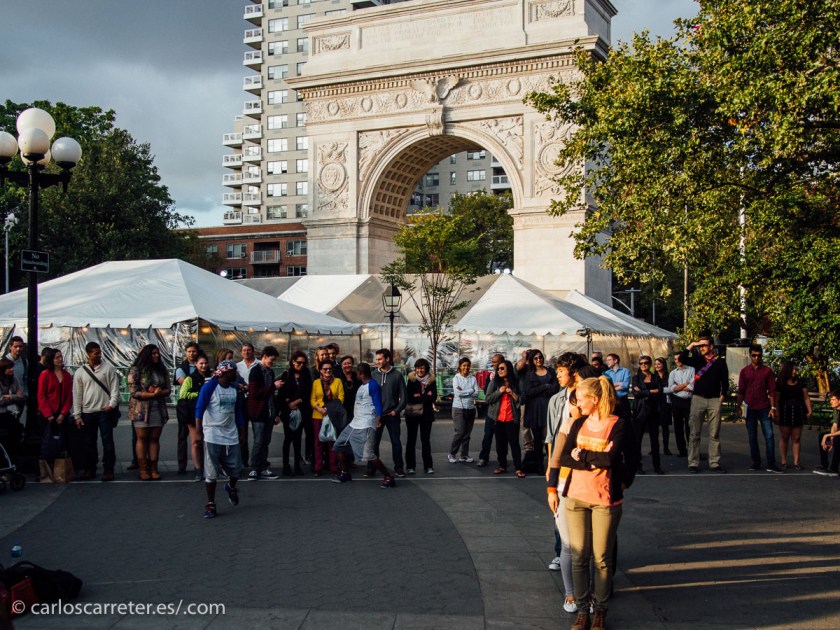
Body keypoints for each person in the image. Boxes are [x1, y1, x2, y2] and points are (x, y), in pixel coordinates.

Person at [555, 376, 638, 630]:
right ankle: (582, 610)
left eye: (581, 399)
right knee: (579, 556)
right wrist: (593, 458)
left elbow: (615, 459)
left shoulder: (618, 424)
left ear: (596, 399)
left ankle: (600, 610)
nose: (577, 403)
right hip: (576, 497)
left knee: (601, 558)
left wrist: (585, 455)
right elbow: (566, 457)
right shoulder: (578, 423)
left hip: (604, 499)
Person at [545, 352, 587, 605]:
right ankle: (571, 592)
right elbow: (553, 439)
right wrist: (551, 474)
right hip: (562, 472)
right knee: (565, 534)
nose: (557, 375)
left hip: (585, 474)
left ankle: (588, 589)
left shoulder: (588, 399)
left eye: (561, 371)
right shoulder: (556, 401)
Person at [195, 360, 245, 519]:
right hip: (212, 433)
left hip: (230, 434)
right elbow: (199, 408)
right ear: (224, 372)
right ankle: (210, 504)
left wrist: (242, 431)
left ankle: (231, 486)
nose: (235, 374)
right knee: (211, 472)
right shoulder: (210, 387)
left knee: (237, 468)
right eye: (233, 372)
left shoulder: (234, 389)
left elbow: (238, 412)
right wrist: (198, 431)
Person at [332, 362, 396, 488]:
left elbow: (378, 404)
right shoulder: (362, 386)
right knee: (338, 446)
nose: (356, 374)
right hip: (354, 424)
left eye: (357, 373)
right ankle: (345, 473)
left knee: (368, 455)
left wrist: (378, 419)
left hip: (366, 424)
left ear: (360, 374)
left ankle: (389, 477)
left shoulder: (373, 385)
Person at [72, 342, 121, 482]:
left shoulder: (109, 368)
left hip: (104, 410)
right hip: (87, 411)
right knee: (89, 442)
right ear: (89, 354)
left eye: (99, 352)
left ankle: (108, 469)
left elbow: (114, 389)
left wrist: (111, 405)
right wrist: (77, 414)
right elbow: (77, 394)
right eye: (95, 353)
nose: (98, 355)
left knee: (107, 441)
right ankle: (90, 468)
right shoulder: (80, 372)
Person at [680, 337, 729, 473]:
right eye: (699, 346)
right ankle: (693, 463)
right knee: (694, 432)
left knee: (714, 433)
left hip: (714, 399)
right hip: (698, 398)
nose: (701, 348)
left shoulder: (720, 362)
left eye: (704, 345)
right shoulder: (698, 360)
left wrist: (722, 397)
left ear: (711, 347)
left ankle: (714, 462)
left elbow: (725, 381)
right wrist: (692, 345)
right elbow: (682, 359)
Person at [127, 344, 171, 481]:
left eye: (157, 353)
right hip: (141, 409)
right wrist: (151, 394)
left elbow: (168, 389)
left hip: (158, 408)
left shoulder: (162, 370)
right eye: (153, 353)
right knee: (142, 438)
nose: (156, 355)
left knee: (154, 439)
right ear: (146, 355)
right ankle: (142, 469)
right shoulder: (136, 370)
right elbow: (134, 392)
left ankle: (154, 468)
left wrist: (159, 392)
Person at [736, 345, 780, 472]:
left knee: (769, 435)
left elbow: (772, 390)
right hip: (750, 406)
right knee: (752, 436)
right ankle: (756, 462)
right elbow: (741, 390)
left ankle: (771, 463)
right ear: (750, 355)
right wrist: (738, 406)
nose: (757, 358)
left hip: (764, 406)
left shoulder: (767, 371)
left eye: (759, 355)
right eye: (754, 355)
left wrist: (773, 407)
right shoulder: (745, 371)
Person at [247, 346, 284, 480]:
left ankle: (262, 467)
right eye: (271, 360)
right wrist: (273, 386)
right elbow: (254, 393)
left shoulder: (270, 372)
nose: (272, 363)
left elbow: (271, 395)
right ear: (265, 356)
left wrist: (275, 413)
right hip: (258, 412)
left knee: (265, 441)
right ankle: (255, 468)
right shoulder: (255, 371)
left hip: (268, 411)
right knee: (259, 441)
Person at [37, 348, 73, 481]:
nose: (60, 359)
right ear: (51, 360)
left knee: (62, 443)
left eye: (61, 357)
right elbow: (41, 395)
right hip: (48, 414)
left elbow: (69, 396)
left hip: (61, 413)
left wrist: (63, 413)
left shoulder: (67, 375)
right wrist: (48, 414)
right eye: (57, 357)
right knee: (47, 443)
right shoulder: (45, 374)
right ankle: (45, 472)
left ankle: (60, 472)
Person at [520, 350, 559, 471]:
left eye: (540, 357)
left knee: (549, 436)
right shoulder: (529, 374)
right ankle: (539, 464)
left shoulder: (551, 371)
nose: (538, 360)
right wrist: (545, 386)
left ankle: (551, 463)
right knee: (536, 438)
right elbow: (529, 392)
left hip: (548, 406)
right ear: (532, 360)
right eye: (535, 358)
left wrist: (541, 389)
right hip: (534, 408)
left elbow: (555, 388)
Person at [485, 359, 524, 477]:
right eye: (498, 369)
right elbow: (487, 399)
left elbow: (522, 399)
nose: (499, 371)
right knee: (500, 444)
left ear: (508, 369)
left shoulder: (516, 382)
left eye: (502, 368)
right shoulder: (495, 382)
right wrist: (499, 392)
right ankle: (502, 465)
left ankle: (518, 468)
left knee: (514, 444)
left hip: (512, 418)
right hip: (498, 418)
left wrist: (512, 393)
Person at [371, 348, 407, 477]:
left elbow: (404, 397)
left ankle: (399, 468)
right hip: (377, 416)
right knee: (374, 443)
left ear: (388, 359)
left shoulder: (397, 375)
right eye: (377, 359)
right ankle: (372, 467)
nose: (378, 361)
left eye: (380, 359)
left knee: (396, 443)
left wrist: (396, 411)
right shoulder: (373, 375)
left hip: (392, 415)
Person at [177, 353, 211, 480]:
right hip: (192, 413)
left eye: (205, 363)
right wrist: (199, 394)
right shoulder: (189, 379)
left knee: (208, 441)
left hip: (209, 413)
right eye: (201, 363)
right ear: (195, 364)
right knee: (196, 441)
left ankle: (209, 466)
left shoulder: (212, 377)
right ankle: (198, 468)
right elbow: (183, 395)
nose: (203, 366)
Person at [277, 351, 311, 476]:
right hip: (288, 411)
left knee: (297, 440)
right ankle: (286, 465)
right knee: (288, 439)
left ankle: (297, 465)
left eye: (303, 363)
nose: (301, 365)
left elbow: (308, 392)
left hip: (301, 410)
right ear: (293, 361)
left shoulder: (306, 375)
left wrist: (298, 401)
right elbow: (281, 394)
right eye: (298, 363)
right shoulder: (286, 374)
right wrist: (288, 402)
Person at [774, 360, 812, 469]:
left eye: (796, 369)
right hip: (785, 411)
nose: (795, 371)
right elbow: (777, 399)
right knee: (785, 437)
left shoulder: (800, 382)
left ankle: (796, 462)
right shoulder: (780, 383)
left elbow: (806, 397)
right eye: (793, 369)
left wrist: (809, 409)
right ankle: (784, 461)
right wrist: (777, 412)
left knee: (796, 438)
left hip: (798, 411)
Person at [310, 359, 344, 475]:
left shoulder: (338, 381)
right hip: (318, 416)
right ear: (320, 370)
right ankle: (318, 467)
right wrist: (319, 408)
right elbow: (312, 399)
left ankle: (333, 466)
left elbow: (341, 397)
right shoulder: (316, 383)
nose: (328, 371)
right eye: (325, 369)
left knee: (332, 441)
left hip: (332, 415)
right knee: (318, 442)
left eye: (330, 368)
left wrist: (330, 409)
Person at [632, 355, 665, 475]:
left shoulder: (656, 377)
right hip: (640, 411)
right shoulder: (636, 378)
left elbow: (660, 391)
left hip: (653, 411)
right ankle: (637, 465)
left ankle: (657, 466)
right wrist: (651, 391)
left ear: (650, 364)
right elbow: (636, 393)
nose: (643, 365)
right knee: (637, 439)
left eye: (645, 363)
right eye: (641, 363)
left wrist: (644, 392)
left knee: (654, 440)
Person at [404, 358, 437, 474]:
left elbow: (433, 397)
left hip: (427, 415)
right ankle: (410, 466)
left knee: (425, 440)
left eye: (422, 368)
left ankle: (428, 466)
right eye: (418, 368)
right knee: (411, 440)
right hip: (413, 414)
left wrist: (419, 396)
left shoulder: (432, 380)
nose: (420, 370)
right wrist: (424, 396)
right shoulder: (411, 380)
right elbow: (410, 396)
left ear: (426, 368)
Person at [174, 341, 201, 475]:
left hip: (198, 406)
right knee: (182, 436)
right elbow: (183, 383)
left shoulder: (202, 365)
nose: (191, 353)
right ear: (186, 352)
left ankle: (199, 464)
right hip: (185, 406)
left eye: (194, 351)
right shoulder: (181, 368)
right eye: (189, 351)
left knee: (198, 437)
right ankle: (182, 465)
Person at [448, 357, 480, 464]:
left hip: (470, 408)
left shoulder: (473, 379)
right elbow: (458, 393)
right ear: (460, 367)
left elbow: (477, 393)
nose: (466, 367)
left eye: (468, 365)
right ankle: (452, 453)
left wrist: (465, 392)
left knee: (467, 434)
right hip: (458, 409)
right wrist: (470, 391)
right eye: (464, 365)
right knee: (460, 432)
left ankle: (464, 455)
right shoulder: (456, 378)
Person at [664, 351, 693, 458]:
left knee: (690, 427)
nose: (678, 361)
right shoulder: (673, 373)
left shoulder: (692, 370)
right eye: (676, 359)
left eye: (679, 358)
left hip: (689, 401)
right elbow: (671, 388)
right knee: (678, 427)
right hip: (677, 401)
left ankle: (693, 450)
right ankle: (682, 450)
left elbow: (692, 387)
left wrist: (679, 386)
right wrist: (686, 384)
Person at [478, 353, 505, 467]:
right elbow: (487, 395)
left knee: (502, 439)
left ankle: (501, 460)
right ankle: (484, 457)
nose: (493, 364)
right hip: (491, 412)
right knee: (487, 436)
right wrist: (498, 392)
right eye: (493, 362)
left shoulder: (508, 376)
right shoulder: (491, 376)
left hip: (503, 413)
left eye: (495, 362)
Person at [236, 342, 257, 468]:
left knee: (257, 432)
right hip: (242, 401)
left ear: (253, 351)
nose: (246, 352)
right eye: (244, 350)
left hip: (255, 401)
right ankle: (244, 459)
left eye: (249, 350)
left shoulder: (259, 364)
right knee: (242, 433)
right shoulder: (237, 366)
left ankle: (257, 459)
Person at [0, 357, 25, 461]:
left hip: (12, 413)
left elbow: (21, 395)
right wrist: (14, 397)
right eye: (9, 368)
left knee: (15, 435)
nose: (12, 370)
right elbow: (0, 400)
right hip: (2, 415)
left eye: (12, 367)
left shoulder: (14, 379)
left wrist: (9, 396)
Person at [815, 388, 840, 475]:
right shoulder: (836, 409)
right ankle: (824, 465)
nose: (831, 402)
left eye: (833, 399)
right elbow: (835, 425)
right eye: (830, 399)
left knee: (837, 440)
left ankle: (834, 468)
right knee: (822, 436)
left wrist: (830, 437)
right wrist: (831, 438)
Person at [603, 354, 631, 424]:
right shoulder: (606, 373)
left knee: (625, 422)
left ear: (615, 360)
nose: (607, 362)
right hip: (611, 400)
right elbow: (606, 386)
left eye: (609, 360)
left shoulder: (625, 371)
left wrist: (612, 387)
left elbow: (625, 385)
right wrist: (619, 383)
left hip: (622, 400)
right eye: (606, 360)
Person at [653, 358, 672, 455]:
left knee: (665, 426)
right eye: (655, 364)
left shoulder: (668, 376)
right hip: (655, 402)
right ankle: (654, 448)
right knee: (654, 427)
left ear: (663, 365)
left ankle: (666, 448)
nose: (657, 366)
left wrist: (660, 390)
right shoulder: (653, 376)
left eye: (659, 364)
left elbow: (672, 388)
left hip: (665, 402)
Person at [337, 355, 360, 422]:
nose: (347, 365)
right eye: (345, 364)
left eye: (349, 363)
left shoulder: (357, 376)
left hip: (355, 407)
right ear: (341, 365)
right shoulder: (338, 377)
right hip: (342, 407)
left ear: (352, 364)